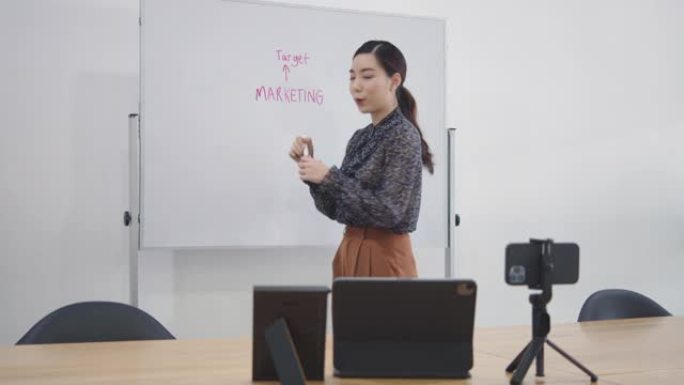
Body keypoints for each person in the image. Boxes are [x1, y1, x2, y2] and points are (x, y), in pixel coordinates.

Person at [289, 40, 434, 278]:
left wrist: (329, 177)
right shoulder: (359, 138)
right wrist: (312, 172)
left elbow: (389, 212)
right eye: (352, 77)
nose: (356, 86)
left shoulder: (403, 135)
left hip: (385, 255)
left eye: (367, 76)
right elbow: (335, 209)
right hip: (349, 250)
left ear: (394, 81)